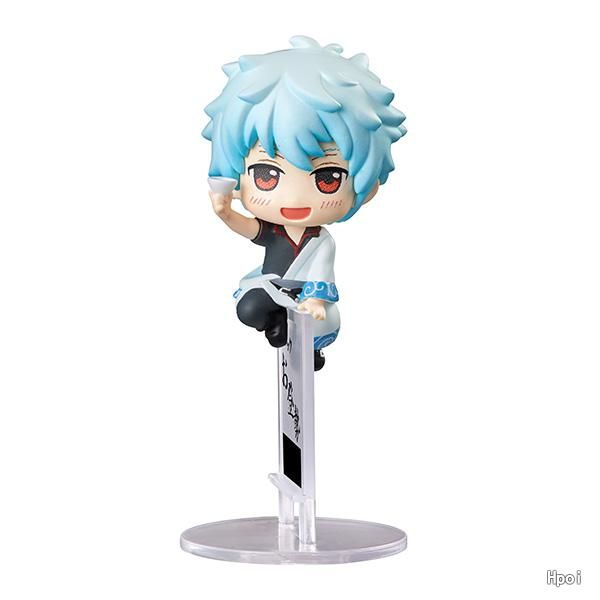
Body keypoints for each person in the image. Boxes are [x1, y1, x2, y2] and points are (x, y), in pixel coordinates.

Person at [203, 36, 406, 370]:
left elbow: (322, 272)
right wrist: (225, 212)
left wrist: (315, 300)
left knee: (314, 327)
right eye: (267, 175)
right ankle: (279, 328)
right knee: (249, 309)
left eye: (328, 178)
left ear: (366, 184)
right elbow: (250, 228)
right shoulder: (273, 231)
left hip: (308, 300)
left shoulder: (320, 242)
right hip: (273, 288)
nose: (294, 198)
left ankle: (307, 349)